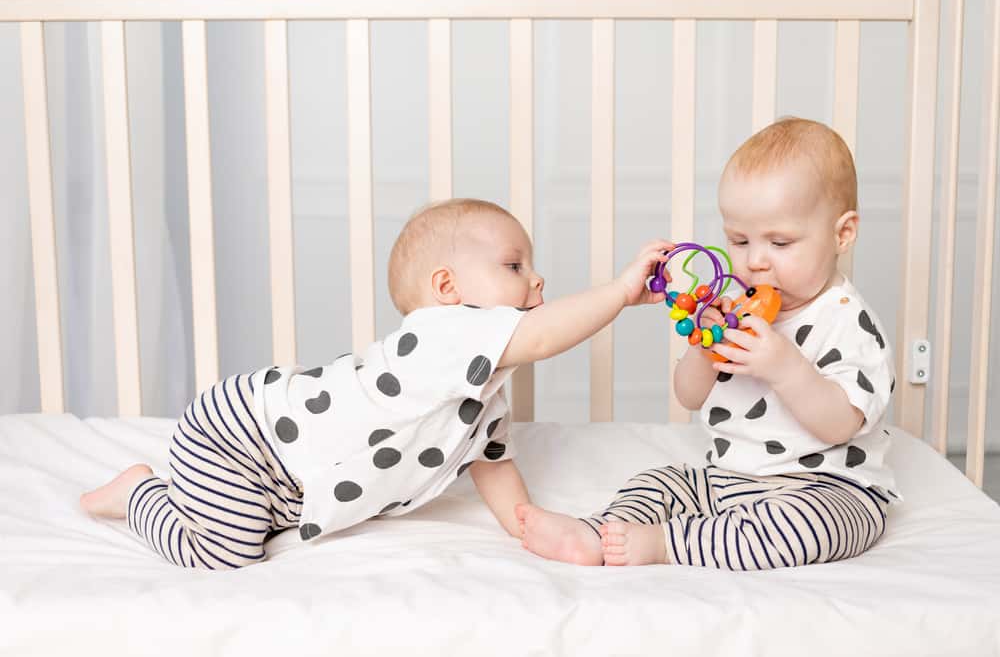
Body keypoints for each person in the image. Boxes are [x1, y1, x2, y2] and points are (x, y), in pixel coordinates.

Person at [80, 197, 673, 570]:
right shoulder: (444, 334)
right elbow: (542, 335)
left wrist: (527, 522)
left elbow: (492, 462)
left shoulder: (485, 389)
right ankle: (138, 493)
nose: (538, 278)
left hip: (288, 483)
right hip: (245, 435)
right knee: (220, 555)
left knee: (253, 533)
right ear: (447, 289)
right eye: (514, 266)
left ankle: (172, 495)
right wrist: (620, 293)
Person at [517, 118, 898, 570]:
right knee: (662, 482)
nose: (755, 260)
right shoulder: (733, 305)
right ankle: (598, 532)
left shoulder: (847, 322)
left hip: (827, 489)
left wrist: (784, 366)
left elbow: (840, 425)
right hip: (730, 480)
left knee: (802, 528)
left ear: (842, 233)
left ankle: (666, 543)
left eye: (780, 242)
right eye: (739, 240)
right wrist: (704, 348)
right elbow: (689, 395)